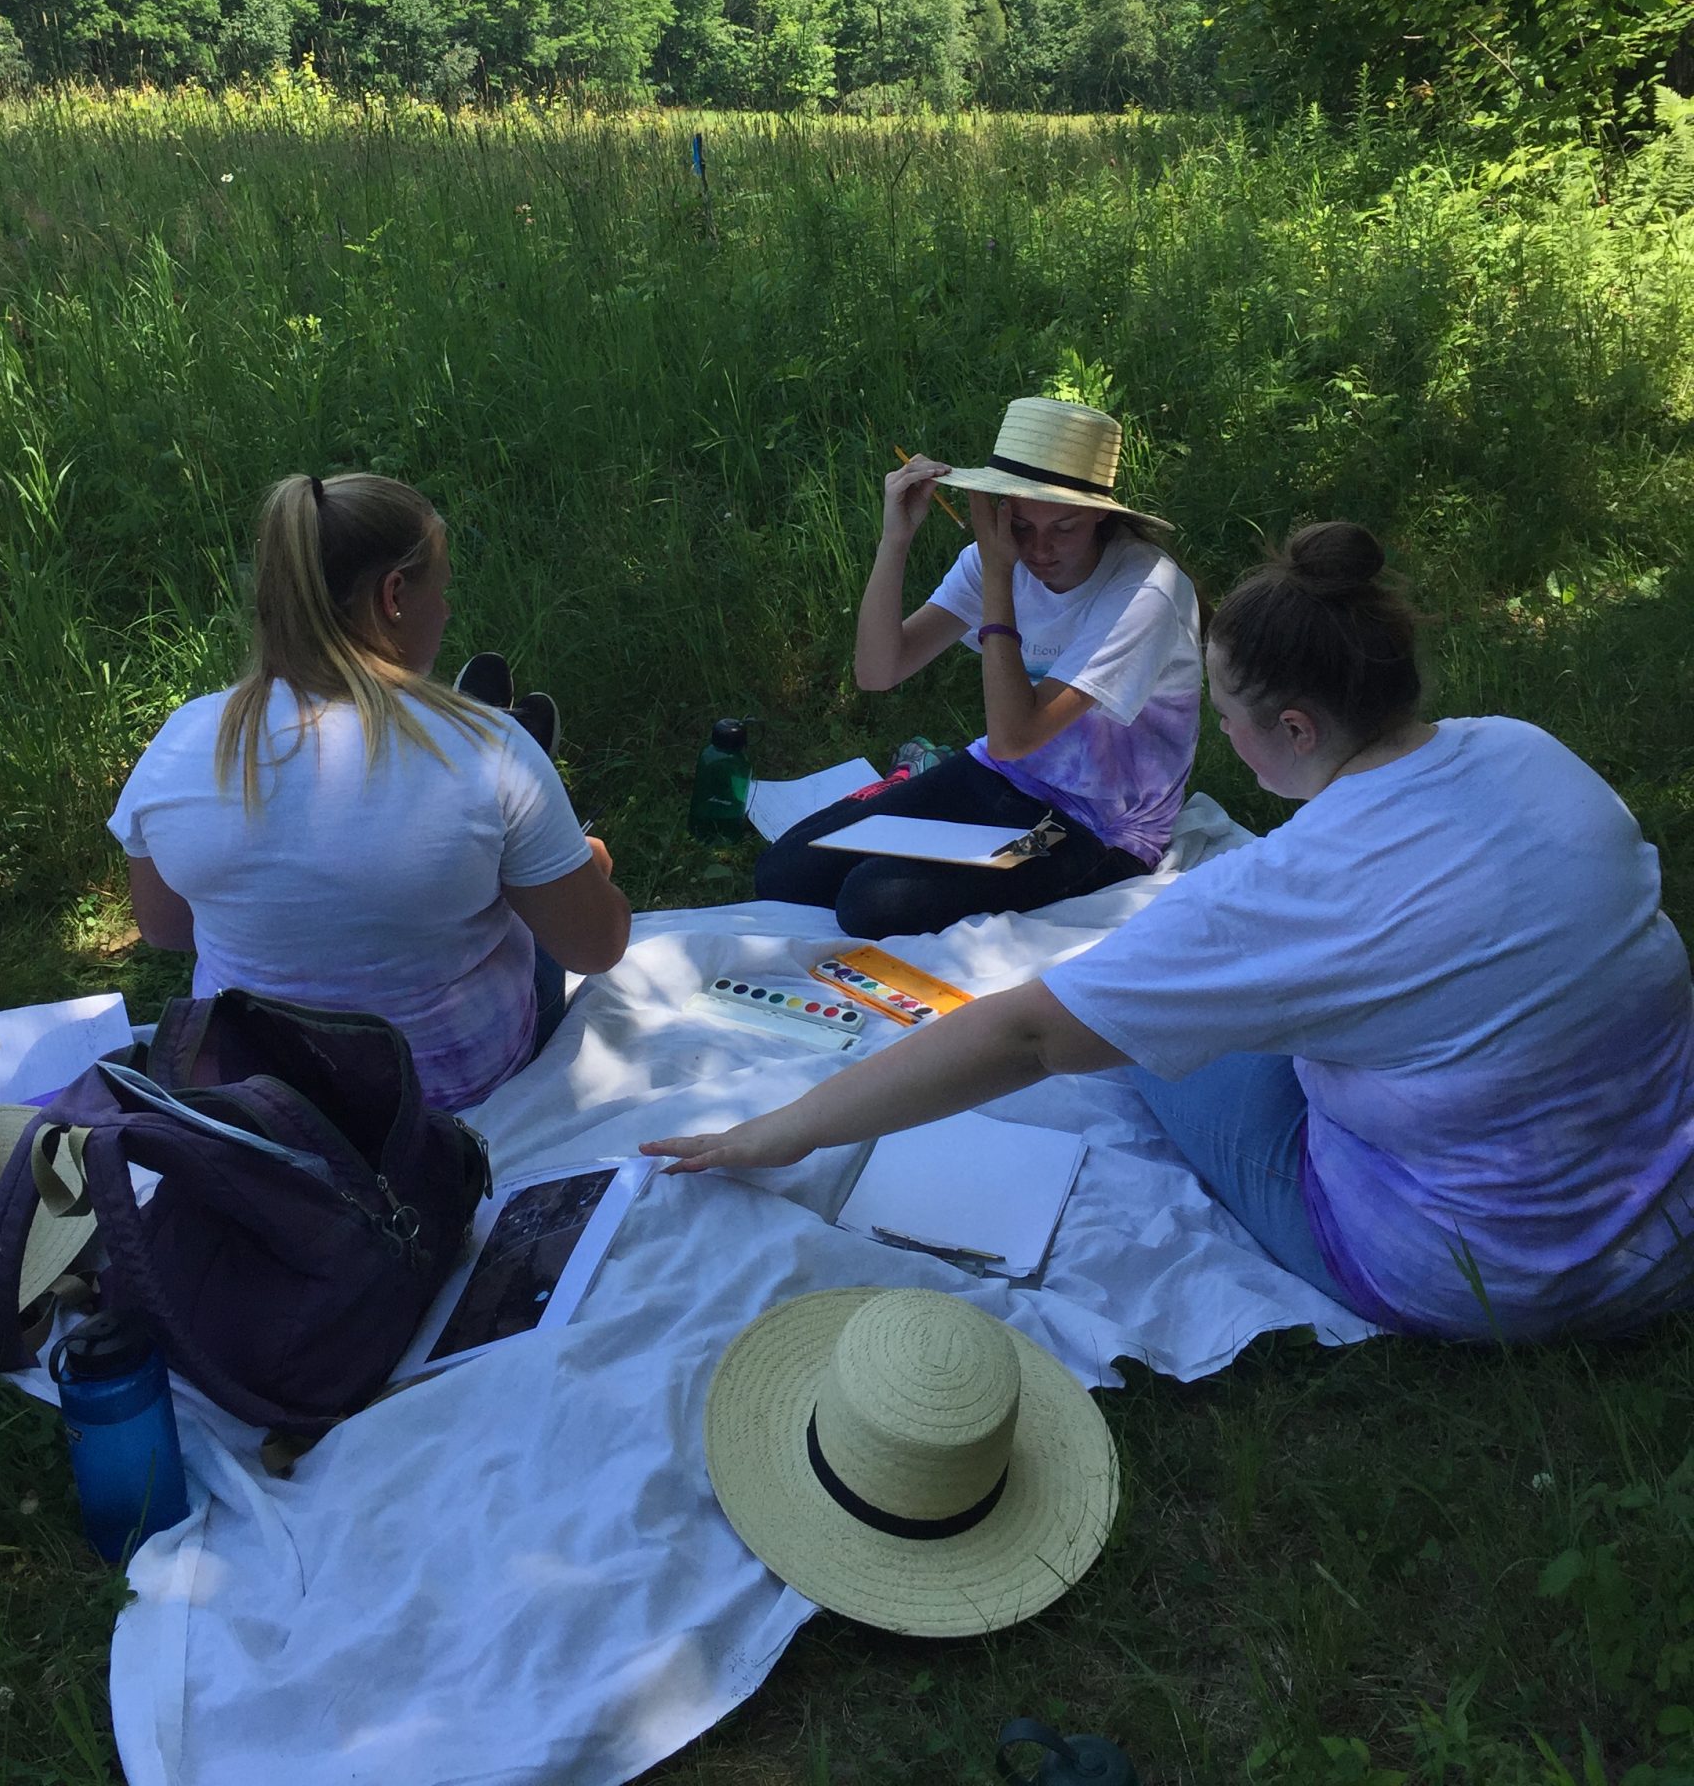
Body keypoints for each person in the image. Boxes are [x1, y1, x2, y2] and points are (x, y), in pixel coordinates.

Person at [650, 523, 1694, 1341]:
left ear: (1296, 727)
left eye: (1227, 717)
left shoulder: (1284, 890)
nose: (1222, 740)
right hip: (1660, 1226)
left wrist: (786, 1130)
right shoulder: (1531, 751)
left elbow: (1027, 1036)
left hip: (1485, 1273)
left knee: (1152, 1046)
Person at [109, 473, 629, 1114]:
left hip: (260, 1098)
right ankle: (474, 768)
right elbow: (597, 947)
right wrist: (588, 872)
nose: (448, 609)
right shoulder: (493, 754)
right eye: (442, 588)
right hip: (448, 1096)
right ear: (394, 595)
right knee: (522, 898)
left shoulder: (184, 740)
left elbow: (165, 928)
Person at [753, 397, 1201, 938]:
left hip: (1096, 824)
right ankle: (918, 784)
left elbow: (1016, 737)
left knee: (873, 901)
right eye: (1022, 525)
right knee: (784, 871)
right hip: (998, 774)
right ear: (1000, 509)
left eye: (1064, 527)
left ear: (1102, 513)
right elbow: (878, 671)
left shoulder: (1145, 591)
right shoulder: (995, 557)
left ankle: (920, 804)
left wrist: (997, 576)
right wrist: (896, 538)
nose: (1039, 549)